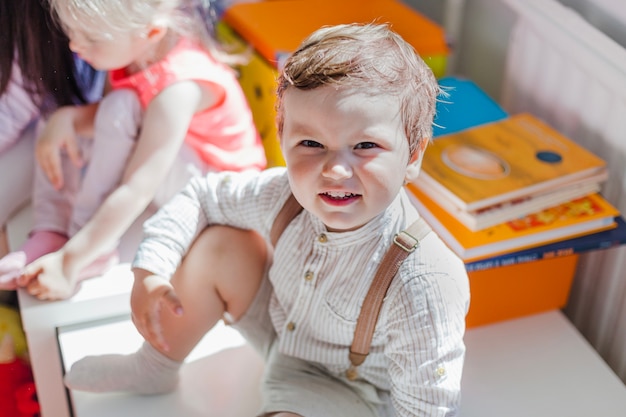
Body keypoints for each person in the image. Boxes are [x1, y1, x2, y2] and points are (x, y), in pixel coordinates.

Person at [64, 23, 470, 416]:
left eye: (365, 146)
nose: (336, 170)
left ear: (412, 156)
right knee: (221, 243)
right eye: (311, 143)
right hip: (281, 329)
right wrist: (151, 267)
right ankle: (154, 365)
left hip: (349, 388)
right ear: (283, 138)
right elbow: (201, 196)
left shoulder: (424, 281)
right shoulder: (283, 194)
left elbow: (428, 406)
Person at [0, 0, 266, 299]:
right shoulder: (139, 46)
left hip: (220, 195)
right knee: (60, 119)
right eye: (71, 32)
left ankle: (85, 246)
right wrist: (68, 119)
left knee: (116, 109)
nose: (75, 45)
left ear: (150, 31)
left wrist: (70, 262)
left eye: (91, 38)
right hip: (177, 162)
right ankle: (51, 228)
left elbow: (137, 186)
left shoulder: (177, 90)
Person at [0, 0, 104, 300]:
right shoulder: (26, 21)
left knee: (59, 120)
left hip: (94, 128)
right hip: (45, 117)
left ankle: (58, 231)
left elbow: (136, 104)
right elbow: (16, 102)